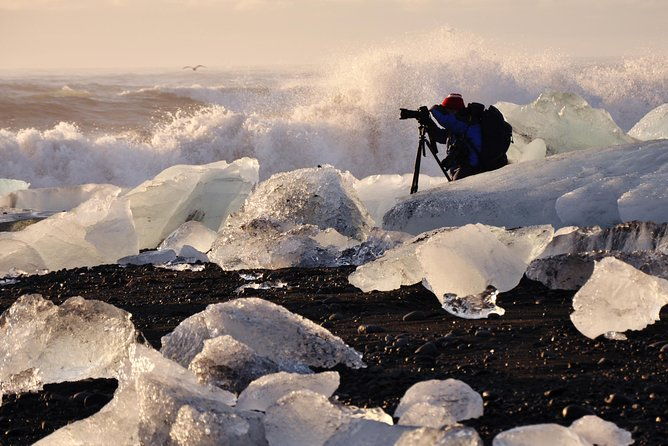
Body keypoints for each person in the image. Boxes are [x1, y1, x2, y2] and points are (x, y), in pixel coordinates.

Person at [420, 93, 483, 180]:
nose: (445, 113)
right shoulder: (459, 126)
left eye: (446, 110)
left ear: (454, 110)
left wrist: (432, 109)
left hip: (474, 167)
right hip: (467, 166)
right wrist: (428, 122)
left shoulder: (464, 123)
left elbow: (444, 119)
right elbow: (442, 136)